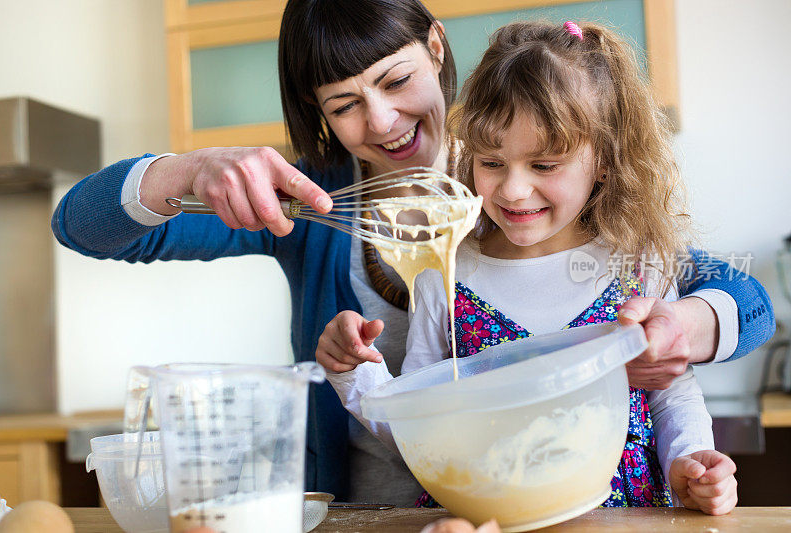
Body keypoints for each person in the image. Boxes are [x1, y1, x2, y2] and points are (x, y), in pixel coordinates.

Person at [51, 0, 771, 503]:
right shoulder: (305, 204)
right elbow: (79, 226)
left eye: (395, 81)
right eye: (345, 104)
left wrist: (688, 327)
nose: (384, 121)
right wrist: (186, 172)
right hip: (380, 512)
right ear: (320, 114)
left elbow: (745, 300)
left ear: (434, 47)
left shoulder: (556, 196)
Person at [318, 20, 739, 514]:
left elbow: (672, 394)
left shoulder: (637, 264)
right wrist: (356, 377)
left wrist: (688, 461)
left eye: (544, 165)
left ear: (604, 160)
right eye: (492, 162)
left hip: (623, 519)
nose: (513, 190)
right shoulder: (443, 277)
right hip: (483, 521)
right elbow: (420, 428)